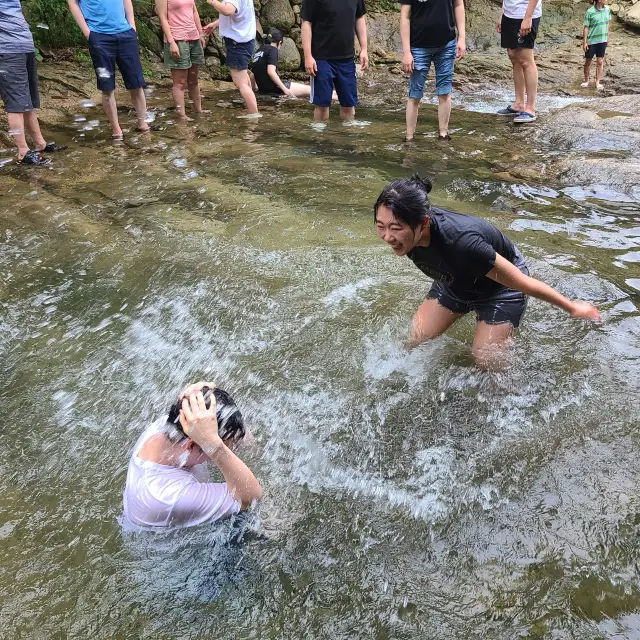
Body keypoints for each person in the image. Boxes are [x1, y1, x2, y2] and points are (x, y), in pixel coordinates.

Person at [374, 176, 601, 369]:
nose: (387, 237)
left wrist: (571, 307)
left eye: (395, 228)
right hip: (455, 281)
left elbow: (522, 283)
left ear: (424, 223)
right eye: (380, 226)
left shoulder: (464, 243)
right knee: (415, 340)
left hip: (500, 289)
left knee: (487, 360)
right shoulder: (408, 236)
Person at [123, 382, 262, 529]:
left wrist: (203, 396)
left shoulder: (169, 427)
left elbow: (244, 439)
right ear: (191, 445)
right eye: (224, 446)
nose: (232, 449)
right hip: (185, 547)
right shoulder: (167, 497)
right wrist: (215, 446)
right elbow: (252, 497)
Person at [67, 0, 150, 139]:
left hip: (126, 34)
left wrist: (132, 26)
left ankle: (143, 124)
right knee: (107, 87)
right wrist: (87, 33)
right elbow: (72, 3)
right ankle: (116, 130)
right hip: (99, 36)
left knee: (137, 83)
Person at [0, 1, 67, 165]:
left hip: (24, 46)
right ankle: (23, 152)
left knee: (27, 100)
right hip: (6, 50)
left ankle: (40, 144)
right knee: (16, 103)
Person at [400, 0, 466, 142]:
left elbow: (459, 5)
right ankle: (409, 137)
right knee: (415, 94)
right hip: (418, 46)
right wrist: (406, 52)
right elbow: (405, 16)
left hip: (447, 44)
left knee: (444, 91)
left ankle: (443, 134)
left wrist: (462, 38)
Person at [301, 0, 368, 123]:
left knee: (349, 104)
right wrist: (308, 56)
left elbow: (359, 18)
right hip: (321, 59)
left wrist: (364, 49)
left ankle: (347, 138)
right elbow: (306, 23)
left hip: (347, 59)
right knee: (322, 105)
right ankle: (319, 139)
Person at [206, 0, 259, 117]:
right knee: (243, 78)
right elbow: (238, 14)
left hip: (238, 43)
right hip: (245, 41)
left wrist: (213, 2)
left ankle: (254, 114)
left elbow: (228, 10)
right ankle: (251, 109)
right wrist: (216, 24)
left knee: (240, 82)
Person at [155, 0, 206, 120]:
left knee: (194, 79)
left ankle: (198, 110)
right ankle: (182, 115)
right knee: (180, 82)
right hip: (177, 39)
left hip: (193, 38)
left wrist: (200, 33)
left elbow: (194, 11)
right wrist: (171, 42)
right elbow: (163, 19)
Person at [496, 0, 541, 124]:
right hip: (509, 14)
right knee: (513, 56)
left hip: (525, 13)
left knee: (525, 60)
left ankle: (530, 108)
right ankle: (519, 103)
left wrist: (528, 17)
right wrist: (502, 14)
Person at [250, 28, 308, 98]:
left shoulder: (259, 51)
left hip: (263, 90)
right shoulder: (273, 50)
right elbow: (271, 72)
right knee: (310, 90)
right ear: (279, 43)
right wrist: (285, 89)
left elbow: (252, 75)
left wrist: (254, 90)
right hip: (276, 89)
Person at [581, 0, 611, 90]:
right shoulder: (590, 11)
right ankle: (587, 81)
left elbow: (608, 24)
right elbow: (586, 27)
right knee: (588, 61)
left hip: (602, 40)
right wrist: (585, 42)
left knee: (600, 61)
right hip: (591, 41)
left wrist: (607, 38)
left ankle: (597, 82)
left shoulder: (608, 9)